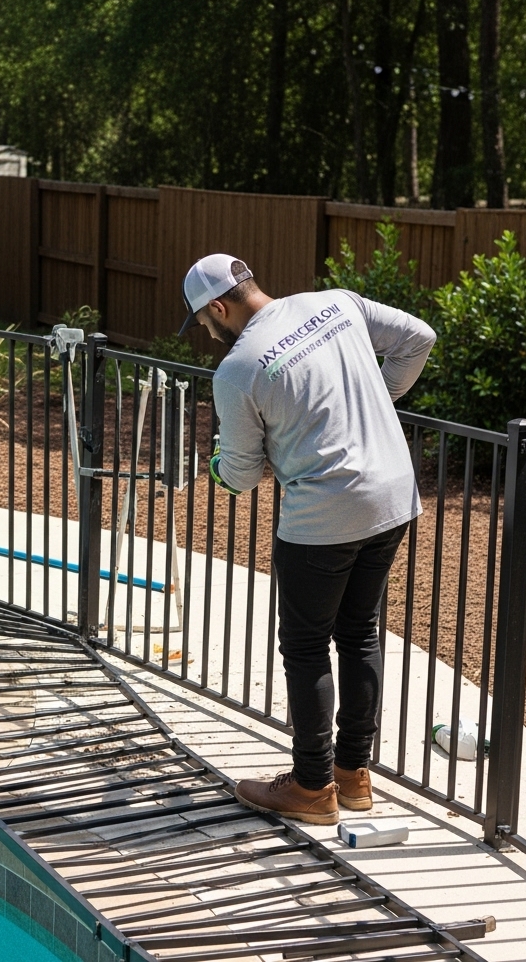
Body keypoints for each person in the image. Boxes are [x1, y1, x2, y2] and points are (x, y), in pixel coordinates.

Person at [179, 253, 436, 825]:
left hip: (324, 517)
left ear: (218, 307)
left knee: (306, 646)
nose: (208, 334)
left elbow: (240, 476)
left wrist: (216, 467)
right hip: (393, 495)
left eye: (203, 323)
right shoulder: (336, 303)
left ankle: (312, 787)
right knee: (359, 632)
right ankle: (353, 774)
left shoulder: (239, 369)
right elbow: (420, 337)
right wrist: (376, 401)